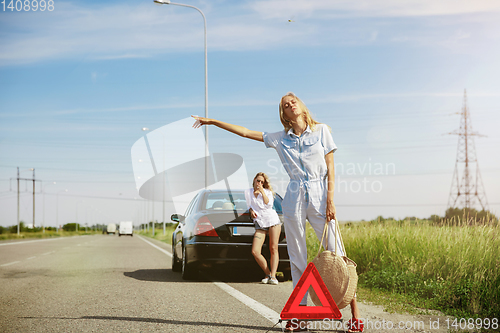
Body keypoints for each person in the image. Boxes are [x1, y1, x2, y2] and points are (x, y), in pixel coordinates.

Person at [192, 92, 363, 332]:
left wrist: (330, 201)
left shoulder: (322, 131)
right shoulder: (280, 138)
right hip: (294, 197)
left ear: (302, 106)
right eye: (284, 104)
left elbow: (331, 166)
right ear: (283, 115)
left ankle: (355, 315)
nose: (289, 104)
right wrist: (213, 122)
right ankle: (299, 316)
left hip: (320, 194)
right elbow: (244, 131)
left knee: (338, 252)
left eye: (293, 100)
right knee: (297, 257)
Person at [245, 172, 282, 285]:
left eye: (262, 182)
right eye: (258, 181)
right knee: (255, 251)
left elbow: (268, 204)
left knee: (273, 248)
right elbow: (249, 206)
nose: (259, 183)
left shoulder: (268, 192)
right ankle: (268, 273)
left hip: (272, 221)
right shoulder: (248, 192)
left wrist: (262, 191)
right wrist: (251, 212)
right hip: (260, 223)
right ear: (254, 180)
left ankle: (273, 276)